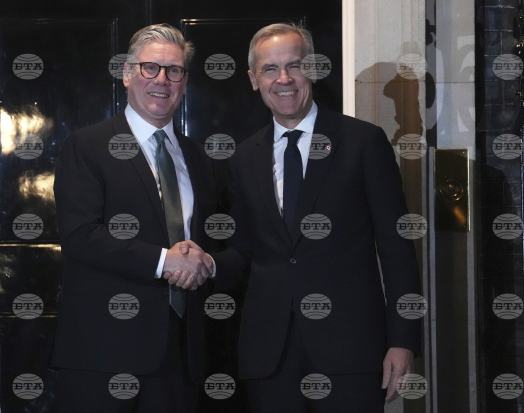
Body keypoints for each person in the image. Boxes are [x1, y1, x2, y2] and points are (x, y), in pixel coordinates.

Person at [170, 23, 421, 411]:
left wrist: (402, 341)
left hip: (351, 352)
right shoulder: (243, 159)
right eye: (270, 69)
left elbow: (397, 251)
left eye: (295, 65)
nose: (283, 79)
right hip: (270, 358)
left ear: (314, 69)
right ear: (254, 80)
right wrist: (206, 263)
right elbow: (244, 252)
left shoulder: (364, 143)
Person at [51, 24, 218, 412]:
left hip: (181, 358)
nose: (162, 80)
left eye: (174, 70)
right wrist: (165, 261)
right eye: (150, 68)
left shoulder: (200, 159)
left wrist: (205, 261)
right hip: (102, 355)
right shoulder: (87, 146)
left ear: (184, 81)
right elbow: (79, 236)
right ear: (127, 74)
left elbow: (216, 243)